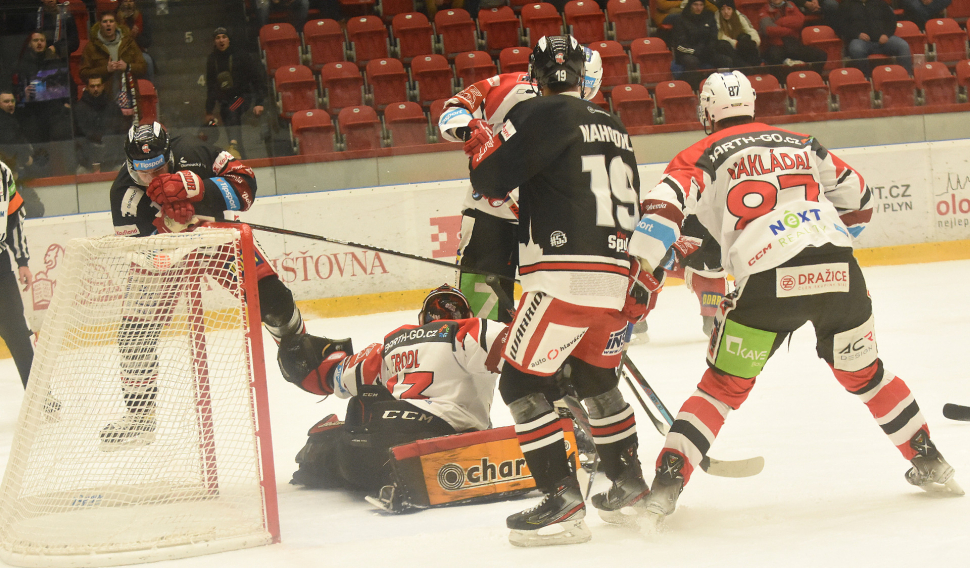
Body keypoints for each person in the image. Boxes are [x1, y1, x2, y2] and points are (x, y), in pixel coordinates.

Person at [628, 70, 963, 530]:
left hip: (767, 278)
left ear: (706, 111)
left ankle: (664, 490)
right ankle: (932, 462)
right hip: (838, 270)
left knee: (721, 388)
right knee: (865, 374)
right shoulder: (802, 142)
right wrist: (821, 241)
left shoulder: (697, 153)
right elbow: (861, 200)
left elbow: (661, 213)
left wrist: (639, 266)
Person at [466, 35, 658, 546]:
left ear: (536, 74)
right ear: (582, 74)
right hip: (619, 283)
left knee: (521, 385)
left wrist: (478, 136)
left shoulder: (538, 113)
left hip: (564, 281)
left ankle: (562, 501)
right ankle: (629, 484)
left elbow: (488, 178)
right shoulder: (616, 126)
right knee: (596, 382)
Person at [102, 121, 307, 450]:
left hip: (216, 238)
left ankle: (304, 355)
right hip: (164, 252)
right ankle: (140, 418)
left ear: (170, 154)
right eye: (142, 172)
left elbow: (246, 187)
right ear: (129, 164)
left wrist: (198, 188)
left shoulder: (194, 152)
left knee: (274, 301)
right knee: (133, 334)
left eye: (158, 169)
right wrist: (172, 226)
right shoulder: (123, 195)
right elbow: (148, 257)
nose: (150, 178)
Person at [278, 285, 504, 495]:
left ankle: (318, 456)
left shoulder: (393, 343)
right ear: (468, 316)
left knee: (360, 410)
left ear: (422, 319)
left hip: (366, 451)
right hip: (433, 446)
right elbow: (523, 350)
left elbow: (336, 377)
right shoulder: (471, 332)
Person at [437, 47, 602, 323]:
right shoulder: (509, 86)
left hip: (547, 226)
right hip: (491, 218)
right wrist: (471, 128)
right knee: (481, 318)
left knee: (552, 315)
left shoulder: (591, 117)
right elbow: (454, 108)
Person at [204, 27, 268, 159]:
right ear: (214, 41)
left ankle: (234, 146)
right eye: (218, 38)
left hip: (242, 97)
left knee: (231, 110)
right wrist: (209, 111)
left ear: (229, 40)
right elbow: (211, 87)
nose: (221, 40)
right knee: (230, 123)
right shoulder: (212, 60)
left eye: (224, 37)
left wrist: (259, 102)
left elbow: (257, 79)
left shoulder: (241, 56)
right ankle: (238, 156)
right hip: (224, 101)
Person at [0, 158, 35, 389]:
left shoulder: (3, 172)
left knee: (19, 335)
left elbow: (14, 217)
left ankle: (38, 396)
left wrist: (22, 260)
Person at [79, 11, 148, 113]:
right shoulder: (91, 47)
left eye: (111, 21)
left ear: (116, 24)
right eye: (105, 21)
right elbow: (83, 73)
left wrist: (128, 66)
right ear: (100, 25)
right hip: (104, 99)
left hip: (129, 95)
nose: (108, 24)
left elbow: (143, 67)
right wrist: (105, 70)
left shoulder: (128, 43)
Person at [14, 31, 73, 145]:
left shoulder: (55, 62)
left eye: (42, 40)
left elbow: (69, 84)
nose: (39, 43)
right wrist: (23, 94)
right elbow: (13, 91)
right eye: (35, 40)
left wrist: (67, 103)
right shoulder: (21, 65)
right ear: (29, 44)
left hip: (55, 111)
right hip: (32, 112)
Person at [838, 0, 913, 76]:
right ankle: (865, 79)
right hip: (860, 41)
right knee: (856, 49)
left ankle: (906, 77)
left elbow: (892, 21)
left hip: (884, 40)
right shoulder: (845, 5)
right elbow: (841, 26)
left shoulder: (880, 3)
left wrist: (886, 34)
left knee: (903, 46)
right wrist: (857, 34)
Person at [673, 0, 733, 90]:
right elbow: (679, 45)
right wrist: (696, 51)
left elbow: (713, 36)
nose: (698, 8)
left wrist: (709, 48)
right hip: (689, 53)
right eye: (695, 5)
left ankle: (723, 88)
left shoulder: (709, 16)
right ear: (690, 5)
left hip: (706, 51)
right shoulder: (680, 19)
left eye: (701, 5)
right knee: (692, 62)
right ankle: (695, 90)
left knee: (726, 60)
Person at [74, 75, 128, 174]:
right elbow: (78, 139)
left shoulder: (113, 107)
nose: (96, 89)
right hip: (87, 161)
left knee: (121, 171)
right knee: (80, 172)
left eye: (98, 86)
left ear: (103, 86)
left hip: (111, 160)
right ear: (87, 87)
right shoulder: (79, 109)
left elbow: (120, 135)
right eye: (92, 86)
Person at [758, 0, 827, 77]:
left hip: (793, 43)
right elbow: (768, 30)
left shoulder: (791, 5)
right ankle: (780, 84)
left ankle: (812, 78)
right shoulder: (764, 10)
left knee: (821, 55)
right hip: (775, 45)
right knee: (774, 57)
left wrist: (779, 22)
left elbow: (800, 20)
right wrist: (790, 30)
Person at [0, 90, 36, 181]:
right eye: (6, 101)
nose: (10, 104)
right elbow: (10, 144)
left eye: (12, 101)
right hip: (11, 166)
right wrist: (25, 157)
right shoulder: (4, 121)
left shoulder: (14, 116)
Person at [715, 0, 761, 69]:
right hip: (729, 46)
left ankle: (757, 66)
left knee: (746, 38)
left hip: (741, 44)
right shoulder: (717, 18)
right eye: (722, 9)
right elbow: (721, 36)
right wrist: (735, 44)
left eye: (729, 9)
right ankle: (745, 67)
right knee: (723, 45)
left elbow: (749, 30)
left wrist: (755, 41)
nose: (726, 12)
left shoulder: (739, 16)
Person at [116, 0, 155, 81]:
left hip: (138, 52)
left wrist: (137, 36)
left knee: (147, 60)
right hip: (120, 53)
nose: (128, 4)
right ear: (121, 3)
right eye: (126, 1)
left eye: (131, 1)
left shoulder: (142, 17)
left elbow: (147, 42)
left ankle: (150, 88)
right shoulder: (115, 19)